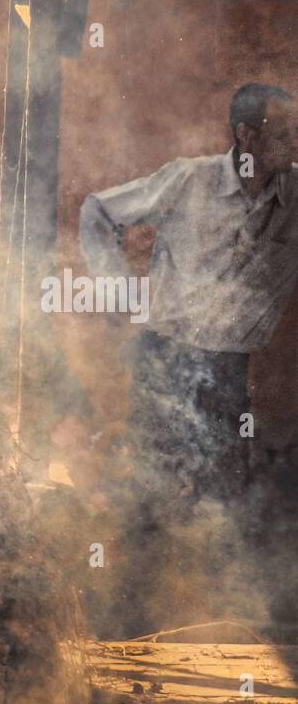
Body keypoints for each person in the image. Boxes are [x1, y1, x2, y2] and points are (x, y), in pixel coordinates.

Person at [80, 83, 298, 502]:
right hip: (165, 362)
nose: (295, 142)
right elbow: (99, 212)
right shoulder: (191, 178)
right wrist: (119, 290)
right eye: (283, 132)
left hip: (229, 374)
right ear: (245, 134)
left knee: (222, 504)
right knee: (150, 497)